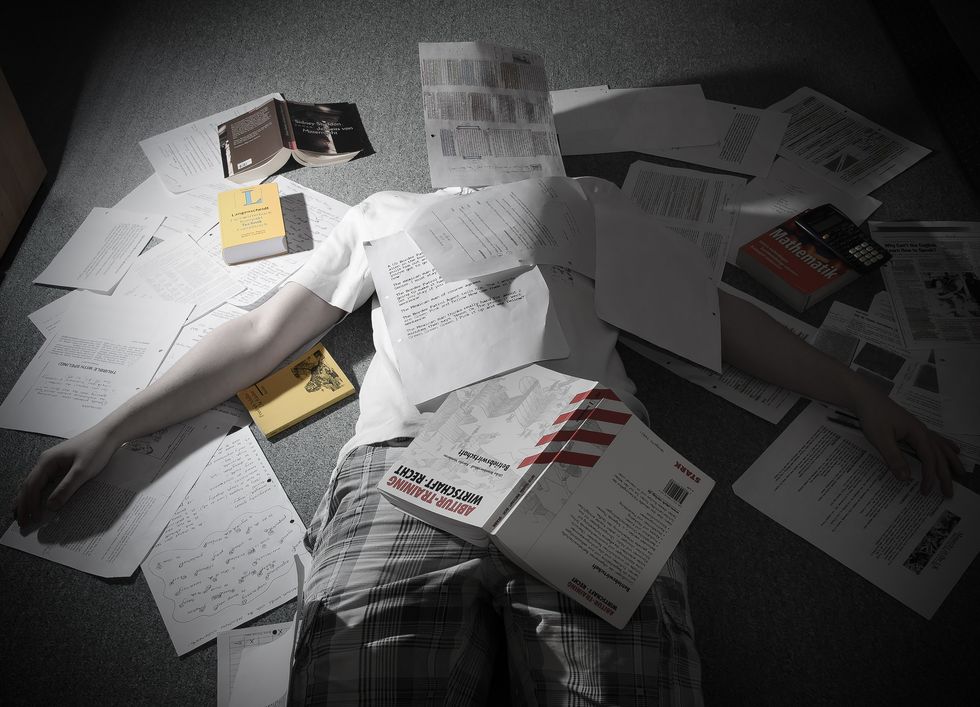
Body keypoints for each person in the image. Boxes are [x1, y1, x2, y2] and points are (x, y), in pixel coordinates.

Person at [12, 180, 963, 706]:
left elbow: (709, 313)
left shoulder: (582, 198)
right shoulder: (384, 212)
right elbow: (265, 332)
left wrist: (854, 388)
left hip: (585, 448)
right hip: (406, 461)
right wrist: (115, 424)